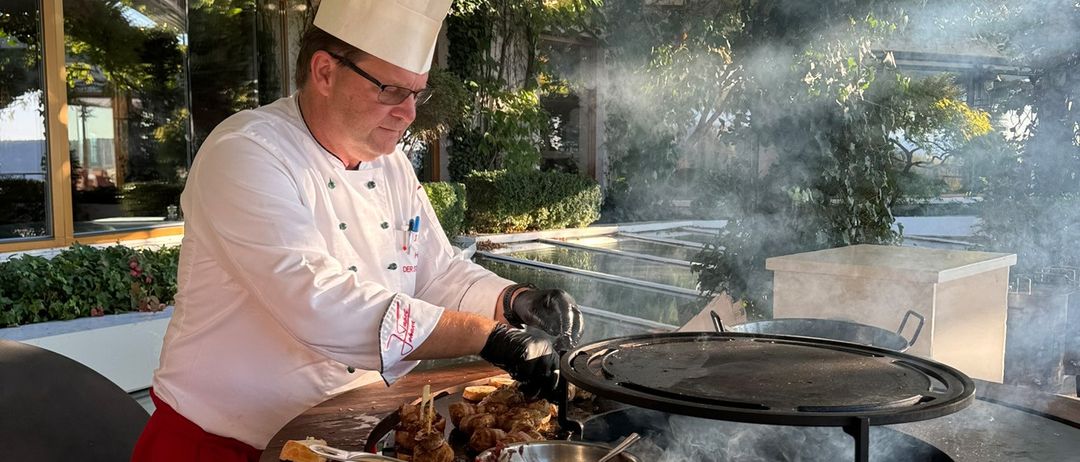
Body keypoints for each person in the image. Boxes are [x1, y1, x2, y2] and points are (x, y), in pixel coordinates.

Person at [131, 1, 583, 460]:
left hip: (347, 433)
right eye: (392, 90)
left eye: (417, 94)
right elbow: (319, 301)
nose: (409, 113)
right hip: (222, 444)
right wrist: (489, 337)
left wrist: (514, 300)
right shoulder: (246, 152)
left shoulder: (390, 164)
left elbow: (436, 272)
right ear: (325, 72)